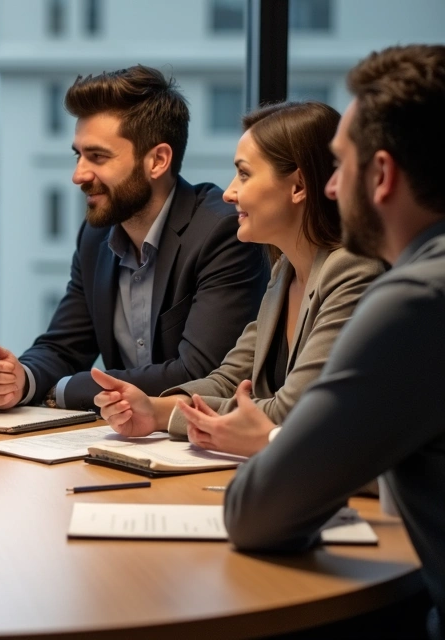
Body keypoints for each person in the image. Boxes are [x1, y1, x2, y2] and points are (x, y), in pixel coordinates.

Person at [175, 45, 445, 637]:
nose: (330, 188)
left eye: (341, 166)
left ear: (382, 176)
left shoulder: (415, 300)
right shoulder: (293, 274)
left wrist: (269, 437)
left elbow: (257, 515)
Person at [91, 101, 386, 456]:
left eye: (244, 174)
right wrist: (151, 410)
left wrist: (167, 415)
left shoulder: (352, 271)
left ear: (297, 186)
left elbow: (289, 413)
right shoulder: (284, 273)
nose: (229, 192)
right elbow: (228, 379)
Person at [0, 65, 269, 412]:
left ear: (158, 160)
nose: (78, 175)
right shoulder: (95, 236)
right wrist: (21, 379)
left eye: (97, 156)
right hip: (123, 440)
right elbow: (64, 347)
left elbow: (198, 373)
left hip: (201, 447)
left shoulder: (222, 234)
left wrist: (64, 390)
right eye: (78, 155)